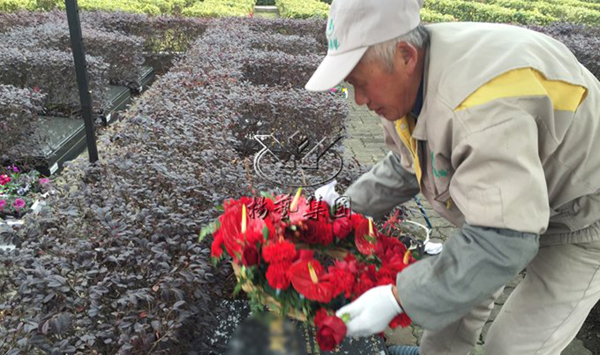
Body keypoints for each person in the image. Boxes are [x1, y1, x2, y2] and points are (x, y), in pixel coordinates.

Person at [305, 0, 600, 354]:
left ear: (405, 55)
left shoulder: (478, 108)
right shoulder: (408, 78)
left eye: (361, 84)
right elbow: (406, 163)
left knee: (511, 346)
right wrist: (343, 208)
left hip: (583, 214)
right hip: (507, 202)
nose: (360, 100)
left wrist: (399, 297)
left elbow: (505, 239)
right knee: (446, 322)